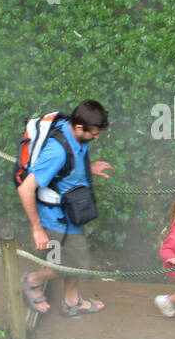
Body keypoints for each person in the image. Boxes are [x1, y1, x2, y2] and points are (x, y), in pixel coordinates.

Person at [18, 100, 113, 316]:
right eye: (94, 133)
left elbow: (66, 167)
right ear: (79, 127)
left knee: (73, 260)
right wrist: (37, 229)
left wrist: (88, 168)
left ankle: (72, 302)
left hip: (71, 213)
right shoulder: (57, 152)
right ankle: (31, 281)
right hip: (55, 220)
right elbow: (26, 189)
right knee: (69, 263)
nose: (97, 137)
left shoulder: (74, 134)